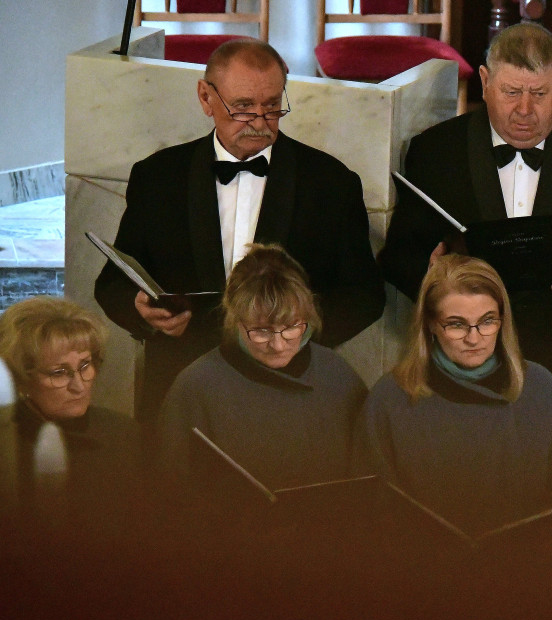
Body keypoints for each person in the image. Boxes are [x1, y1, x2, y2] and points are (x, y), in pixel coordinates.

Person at [94, 39, 384, 426]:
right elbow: (112, 283)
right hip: (182, 387)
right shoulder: (158, 177)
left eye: (272, 106)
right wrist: (142, 311)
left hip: (290, 393)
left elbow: (365, 296)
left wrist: (293, 336)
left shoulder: (331, 182)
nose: (260, 122)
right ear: (205, 97)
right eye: (244, 107)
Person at [378, 22, 552, 424]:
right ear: (485, 81)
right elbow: (397, 257)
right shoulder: (436, 151)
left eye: (539, 94)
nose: (525, 110)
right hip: (464, 361)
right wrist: (434, 274)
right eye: (511, 92)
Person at [359, 254, 552, 538]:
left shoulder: (541, 388)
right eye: (456, 324)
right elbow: (371, 509)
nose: (474, 338)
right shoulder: (390, 397)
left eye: (487, 321)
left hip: (527, 556)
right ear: (430, 323)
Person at [159, 244, 369, 491]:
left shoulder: (338, 377)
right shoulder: (195, 387)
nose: (278, 345)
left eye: (292, 327)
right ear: (235, 321)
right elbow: (170, 491)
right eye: (261, 331)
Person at [0, 296, 140, 524]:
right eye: (59, 373)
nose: (79, 386)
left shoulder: (124, 433)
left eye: (85, 365)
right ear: (21, 379)